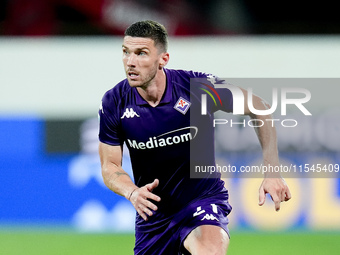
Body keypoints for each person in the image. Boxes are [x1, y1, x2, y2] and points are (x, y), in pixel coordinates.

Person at [98, 20, 291, 255]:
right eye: (126, 52)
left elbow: (259, 106)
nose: (130, 62)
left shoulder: (196, 87)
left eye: (141, 53)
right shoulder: (114, 102)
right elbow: (109, 166)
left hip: (202, 200)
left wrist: (272, 172)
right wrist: (132, 192)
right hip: (154, 216)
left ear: (163, 59)